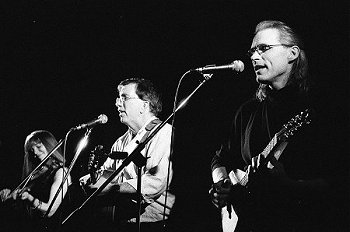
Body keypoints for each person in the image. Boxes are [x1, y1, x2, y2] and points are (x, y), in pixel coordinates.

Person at [209, 20, 336, 232]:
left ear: (292, 53)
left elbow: (337, 183)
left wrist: (288, 186)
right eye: (252, 51)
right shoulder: (248, 111)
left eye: (264, 49)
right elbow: (220, 158)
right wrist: (221, 184)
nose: (254, 57)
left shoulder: (321, 107)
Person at [80, 78, 175, 232]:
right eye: (118, 98)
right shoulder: (121, 142)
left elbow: (156, 182)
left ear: (144, 105)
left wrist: (112, 189)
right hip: (122, 222)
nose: (117, 103)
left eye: (124, 98)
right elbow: (108, 173)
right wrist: (92, 179)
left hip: (153, 225)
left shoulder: (163, 132)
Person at [0, 130, 72, 232]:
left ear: (49, 145)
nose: (35, 153)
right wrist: (10, 196)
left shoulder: (61, 172)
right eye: (31, 150)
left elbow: (50, 211)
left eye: (39, 147)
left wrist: (29, 198)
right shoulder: (35, 173)